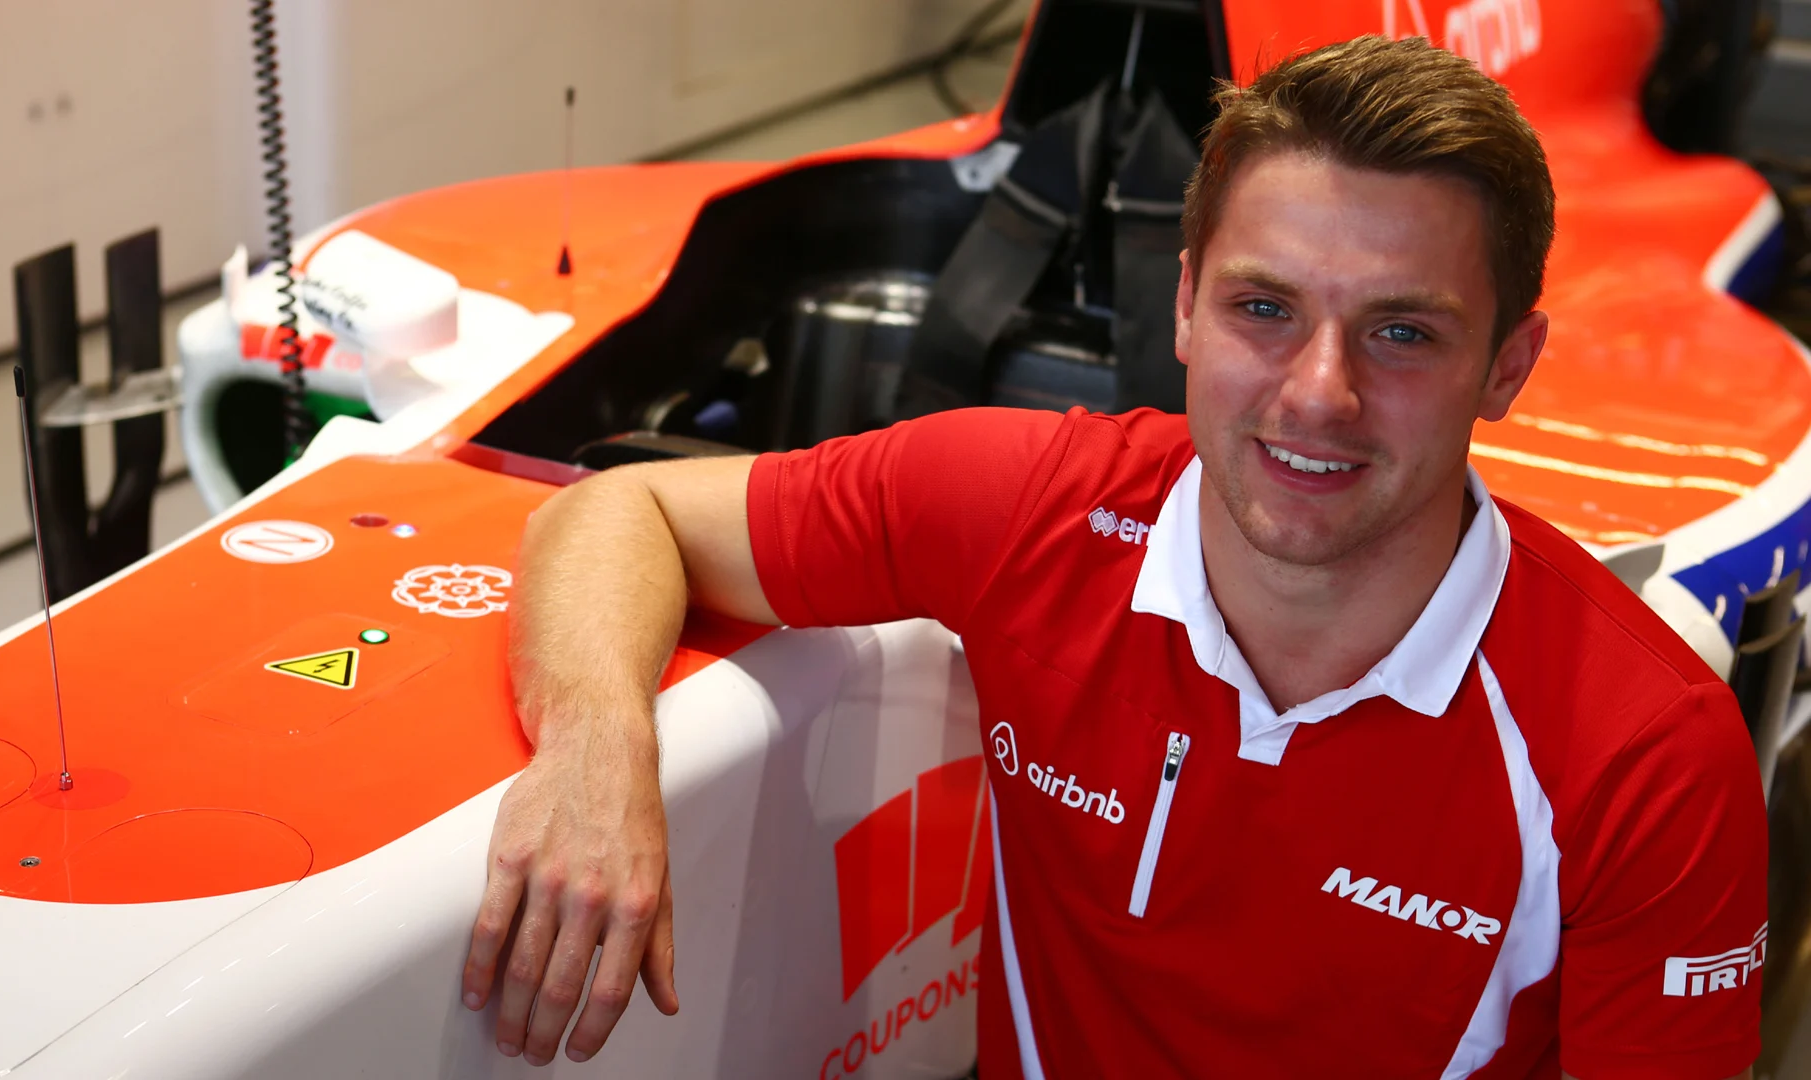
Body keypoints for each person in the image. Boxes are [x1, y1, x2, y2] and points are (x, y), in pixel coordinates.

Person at [459, 35, 1766, 1079]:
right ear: (1185, 305)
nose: (1319, 392)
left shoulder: (1643, 758)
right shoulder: (1032, 508)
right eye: (1265, 308)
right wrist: (595, 752)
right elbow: (616, 514)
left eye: (1403, 333)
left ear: (1510, 366)